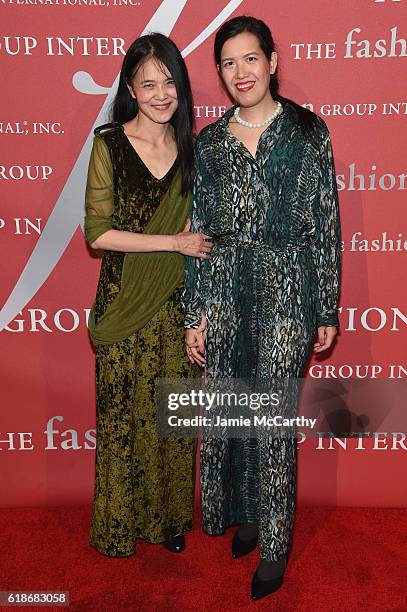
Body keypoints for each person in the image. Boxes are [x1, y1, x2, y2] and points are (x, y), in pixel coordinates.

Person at [182, 16, 341, 600]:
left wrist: (326, 307)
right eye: (228, 62)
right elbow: (199, 233)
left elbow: (325, 224)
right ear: (219, 73)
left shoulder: (307, 132)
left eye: (250, 58)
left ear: (272, 62)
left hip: (286, 290)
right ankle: (246, 516)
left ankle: (275, 545)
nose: (240, 72)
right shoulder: (211, 145)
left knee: (270, 421)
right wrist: (194, 314)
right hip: (224, 288)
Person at [84, 33, 212, 558]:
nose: (162, 94)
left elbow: (205, 240)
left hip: (177, 305)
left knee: (173, 420)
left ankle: (169, 521)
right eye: (149, 83)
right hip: (123, 304)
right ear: (131, 89)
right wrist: (172, 242)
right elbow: (98, 233)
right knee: (121, 422)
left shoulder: (193, 149)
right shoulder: (109, 143)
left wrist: (199, 316)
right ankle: (119, 526)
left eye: (170, 83)